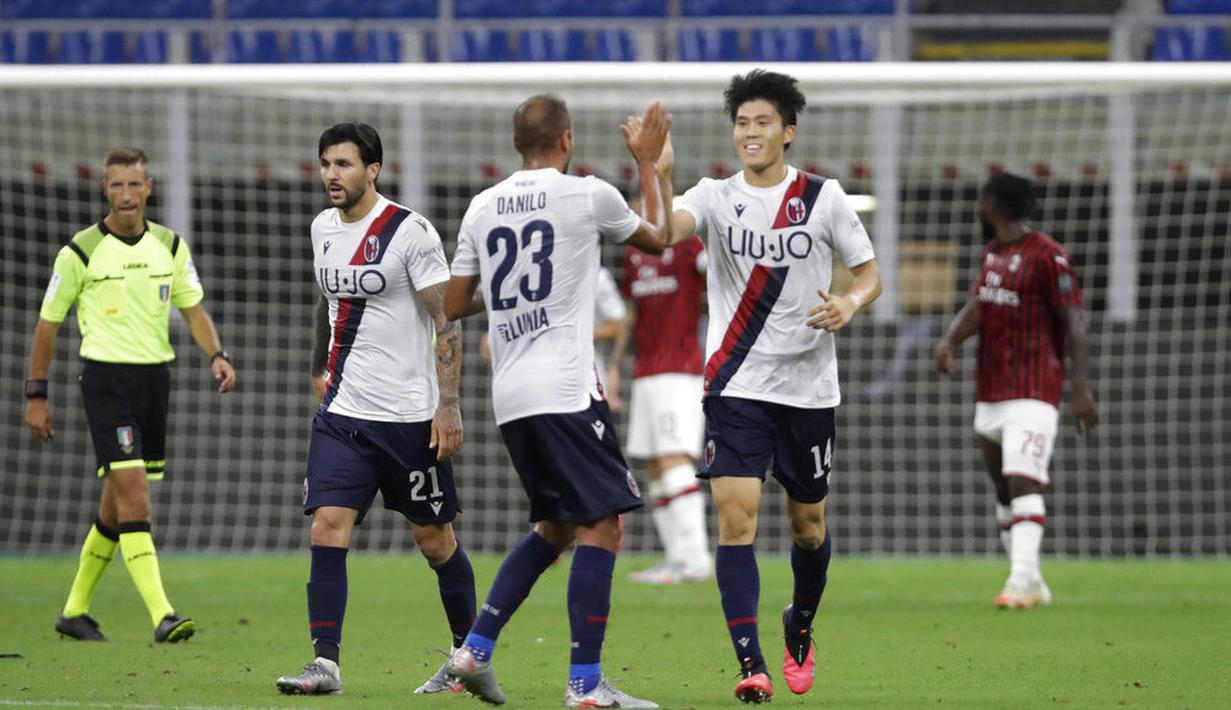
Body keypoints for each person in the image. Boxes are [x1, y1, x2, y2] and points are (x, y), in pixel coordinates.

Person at [442, 96, 672, 708]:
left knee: (555, 526)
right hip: (567, 388)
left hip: (511, 393)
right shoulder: (586, 193)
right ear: (566, 141)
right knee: (604, 525)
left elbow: (454, 302)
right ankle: (586, 684)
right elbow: (656, 238)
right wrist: (648, 165)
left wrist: (513, 295)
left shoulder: (481, 206)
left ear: (517, 143)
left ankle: (475, 648)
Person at [661, 70, 882, 703]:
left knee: (808, 525)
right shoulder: (712, 194)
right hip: (734, 383)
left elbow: (869, 275)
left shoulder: (822, 197)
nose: (749, 133)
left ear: (787, 132)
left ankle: (799, 626)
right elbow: (662, 230)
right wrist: (657, 172)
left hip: (809, 387)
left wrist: (850, 302)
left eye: (762, 122)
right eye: (741, 122)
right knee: (736, 521)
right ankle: (750, 664)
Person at [275, 123, 474, 697]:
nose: (331, 175)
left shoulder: (410, 232)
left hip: (410, 416)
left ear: (373, 170)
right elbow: (328, 298)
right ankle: (325, 665)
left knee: (435, 541)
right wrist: (320, 369)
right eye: (325, 164)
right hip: (344, 413)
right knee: (326, 526)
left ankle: (468, 657)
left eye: (343, 164)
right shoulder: (321, 228)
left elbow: (446, 320)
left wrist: (449, 405)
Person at [25, 146, 237, 643]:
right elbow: (46, 325)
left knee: (116, 506)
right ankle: (162, 615)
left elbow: (193, 309)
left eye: (133, 184)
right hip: (106, 383)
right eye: (115, 184)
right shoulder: (79, 251)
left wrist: (217, 355)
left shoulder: (169, 244)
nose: (125, 194)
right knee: (136, 497)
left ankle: (74, 611)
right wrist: (36, 394)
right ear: (104, 189)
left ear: (148, 188)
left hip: (153, 382)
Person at [934, 172, 1097, 610]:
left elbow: (1075, 322)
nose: (977, 210)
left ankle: (1021, 579)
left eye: (982, 201)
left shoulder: (1049, 255)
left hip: (1033, 389)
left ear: (997, 205)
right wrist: (950, 341)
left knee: (1025, 480)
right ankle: (1034, 582)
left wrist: (1079, 387)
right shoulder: (992, 255)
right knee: (1004, 488)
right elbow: (980, 307)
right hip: (990, 391)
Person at [608, 233, 713, 584]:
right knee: (655, 466)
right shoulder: (634, 253)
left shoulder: (689, 245)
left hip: (680, 371)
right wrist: (614, 368)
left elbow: (719, 277)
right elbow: (632, 314)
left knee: (674, 459)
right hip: (645, 373)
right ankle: (676, 558)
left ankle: (697, 559)